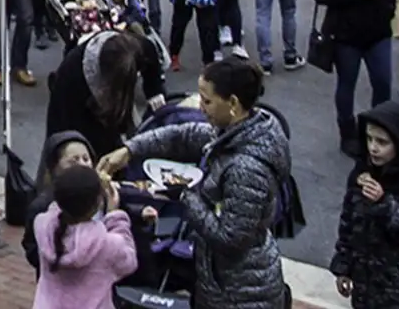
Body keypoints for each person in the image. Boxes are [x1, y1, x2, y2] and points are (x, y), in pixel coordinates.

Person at [99, 58, 291, 309]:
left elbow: (229, 238)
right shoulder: (235, 131)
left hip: (239, 293)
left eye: (207, 101)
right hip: (222, 282)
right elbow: (183, 136)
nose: (201, 108)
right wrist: (129, 150)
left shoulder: (246, 170)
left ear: (232, 103)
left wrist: (185, 195)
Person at [330, 102, 399, 309]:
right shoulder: (361, 175)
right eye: (370, 139)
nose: (373, 147)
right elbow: (349, 225)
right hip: (366, 287)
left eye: (382, 142)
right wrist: (343, 266)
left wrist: (383, 204)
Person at [312, 0, 396, 158]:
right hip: (346, 34)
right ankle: (348, 133)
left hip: (378, 32)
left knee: (382, 82)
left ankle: (379, 129)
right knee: (346, 84)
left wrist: (388, 8)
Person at [31, 165, 137, 309]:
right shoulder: (107, 245)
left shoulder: (44, 229)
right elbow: (129, 262)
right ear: (97, 203)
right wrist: (115, 215)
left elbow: (58, 209)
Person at [46, 31, 156, 154]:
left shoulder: (133, 48)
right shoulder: (71, 79)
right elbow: (62, 132)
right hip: (73, 115)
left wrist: (155, 92)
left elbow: (151, 52)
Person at [23, 132, 97, 275]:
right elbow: (31, 247)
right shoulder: (41, 207)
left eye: (86, 159)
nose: (82, 164)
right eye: (74, 160)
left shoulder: (100, 197)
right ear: (55, 167)